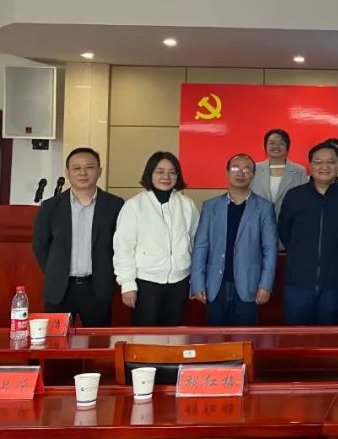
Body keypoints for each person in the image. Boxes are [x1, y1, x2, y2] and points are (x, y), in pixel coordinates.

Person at [32, 147, 124, 327]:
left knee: (98, 341)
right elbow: (40, 245)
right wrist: (56, 270)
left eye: (89, 167)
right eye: (76, 168)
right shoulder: (50, 207)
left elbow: (122, 246)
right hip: (60, 288)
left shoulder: (115, 205)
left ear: (99, 171)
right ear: (67, 173)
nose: (83, 173)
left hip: (98, 287)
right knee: (57, 342)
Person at [278, 139, 338, 325]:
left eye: (331, 162)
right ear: (310, 165)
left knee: (329, 337)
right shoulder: (295, 196)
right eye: (318, 162)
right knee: (297, 338)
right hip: (298, 283)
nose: (325, 167)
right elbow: (284, 230)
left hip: (334, 284)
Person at [190, 154, 278, 326]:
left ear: (253, 175)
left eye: (246, 169)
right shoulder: (210, 206)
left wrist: (265, 285)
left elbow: (270, 249)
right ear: (227, 172)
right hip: (215, 284)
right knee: (215, 337)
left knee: (245, 337)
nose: (240, 173)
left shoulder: (264, 208)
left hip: (249, 283)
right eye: (235, 168)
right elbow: (201, 246)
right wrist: (197, 283)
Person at [113, 152, 199, 326]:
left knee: (176, 334)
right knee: (146, 336)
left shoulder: (187, 204)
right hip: (146, 284)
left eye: (172, 172)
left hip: (179, 282)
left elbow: (195, 242)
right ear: (150, 174)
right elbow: (123, 247)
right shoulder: (134, 205)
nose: (166, 176)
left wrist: (194, 280)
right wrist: (127, 284)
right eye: (160, 171)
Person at [252, 129, 308, 218]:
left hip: (290, 220)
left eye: (281, 143)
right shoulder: (254, 169)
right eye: (272, 143)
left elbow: (305, 199)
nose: (276, 146)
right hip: (259, 220)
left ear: (287, 147)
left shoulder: (299, 171)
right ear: (265, 146)